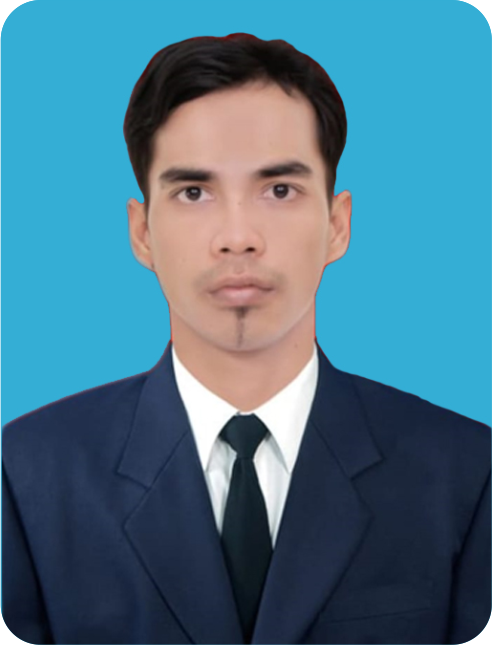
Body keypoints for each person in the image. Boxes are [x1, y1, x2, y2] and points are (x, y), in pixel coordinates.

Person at [2, 33, 490, 645]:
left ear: (337, 225)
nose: (237, 237)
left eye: (279, 190)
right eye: (193, 192)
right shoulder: (27, 473)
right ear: (143, 232)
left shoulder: (466, 471)